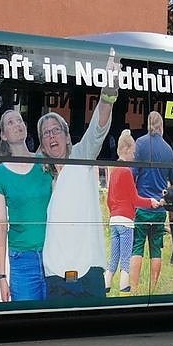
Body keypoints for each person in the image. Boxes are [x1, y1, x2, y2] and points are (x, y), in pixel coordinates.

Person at [39, 54, 119, 298]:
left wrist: (108, 91)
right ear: (42, 145)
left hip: (89, 270)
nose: (52, 137)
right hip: (55, 273)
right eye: (46, 134)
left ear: (67, 137)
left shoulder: (82, 157)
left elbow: (98, 126)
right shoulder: (41, 176)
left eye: (56, 131)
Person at [0, 109, 51, 301]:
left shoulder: (45, 163)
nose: (17, 124)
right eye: (10, 122)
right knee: (27, 316)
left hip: (53, 254)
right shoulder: (0, 174)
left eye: (20, 120)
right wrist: (2, 276)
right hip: (22, 261)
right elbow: (1, 226)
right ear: (3, 135)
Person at [107, 129, 160, 294]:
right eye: (133, 152)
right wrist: (150, 202)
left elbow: (109, 199)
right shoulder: (127, 171)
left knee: (113, 257)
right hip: (126, 221)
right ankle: (124, 286)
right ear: (127, 149)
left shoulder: (114, 171)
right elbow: (135, 199)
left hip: (114, 220)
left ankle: (106, 284)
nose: (134, 155)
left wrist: (113, 213)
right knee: (125, 258)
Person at [129, 110, 173, 292]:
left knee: (137, 247)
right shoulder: (168, 149)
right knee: (156, 249)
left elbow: (133, 174)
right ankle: (153, 289)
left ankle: (133, 289)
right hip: (159, 210)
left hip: (141, 207)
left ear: (148, 124)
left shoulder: (140, 143)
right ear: (161, 126)